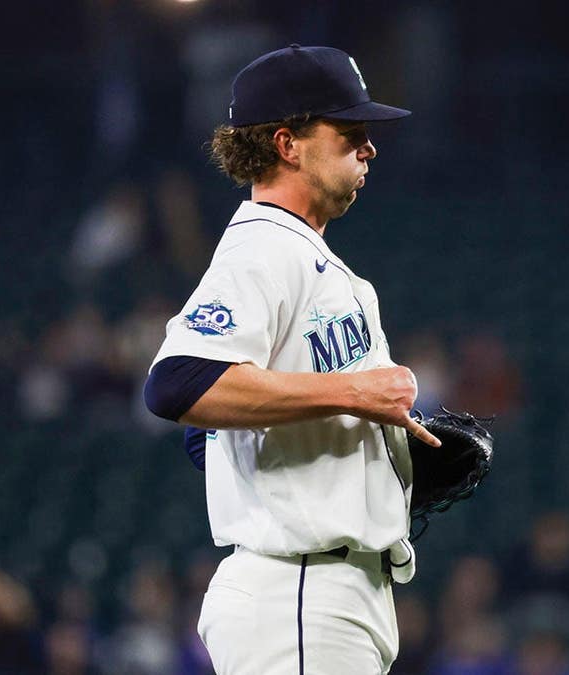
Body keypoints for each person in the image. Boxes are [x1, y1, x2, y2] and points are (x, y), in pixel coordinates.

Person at [143, 44, 440, 674]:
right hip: (298, 590)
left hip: (334, 593)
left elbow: (210, 439)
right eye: (350, 133)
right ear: (288, 143)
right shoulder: (263, 248)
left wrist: (392, 462)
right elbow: (177, 384)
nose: (369, 149)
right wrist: (356, 396)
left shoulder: (316, 265)